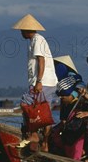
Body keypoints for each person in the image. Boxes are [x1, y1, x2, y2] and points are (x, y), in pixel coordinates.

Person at [12, 14, 58, 152]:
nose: (21, 33)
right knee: (45, 114)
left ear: (27, 30)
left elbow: (41, 60)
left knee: (25, 104)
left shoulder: (38, 40)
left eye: (22, 30)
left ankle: (33, 135)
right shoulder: (35, 40)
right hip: (48, 81)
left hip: (43, 81)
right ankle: (45, 144)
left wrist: (38, 81)